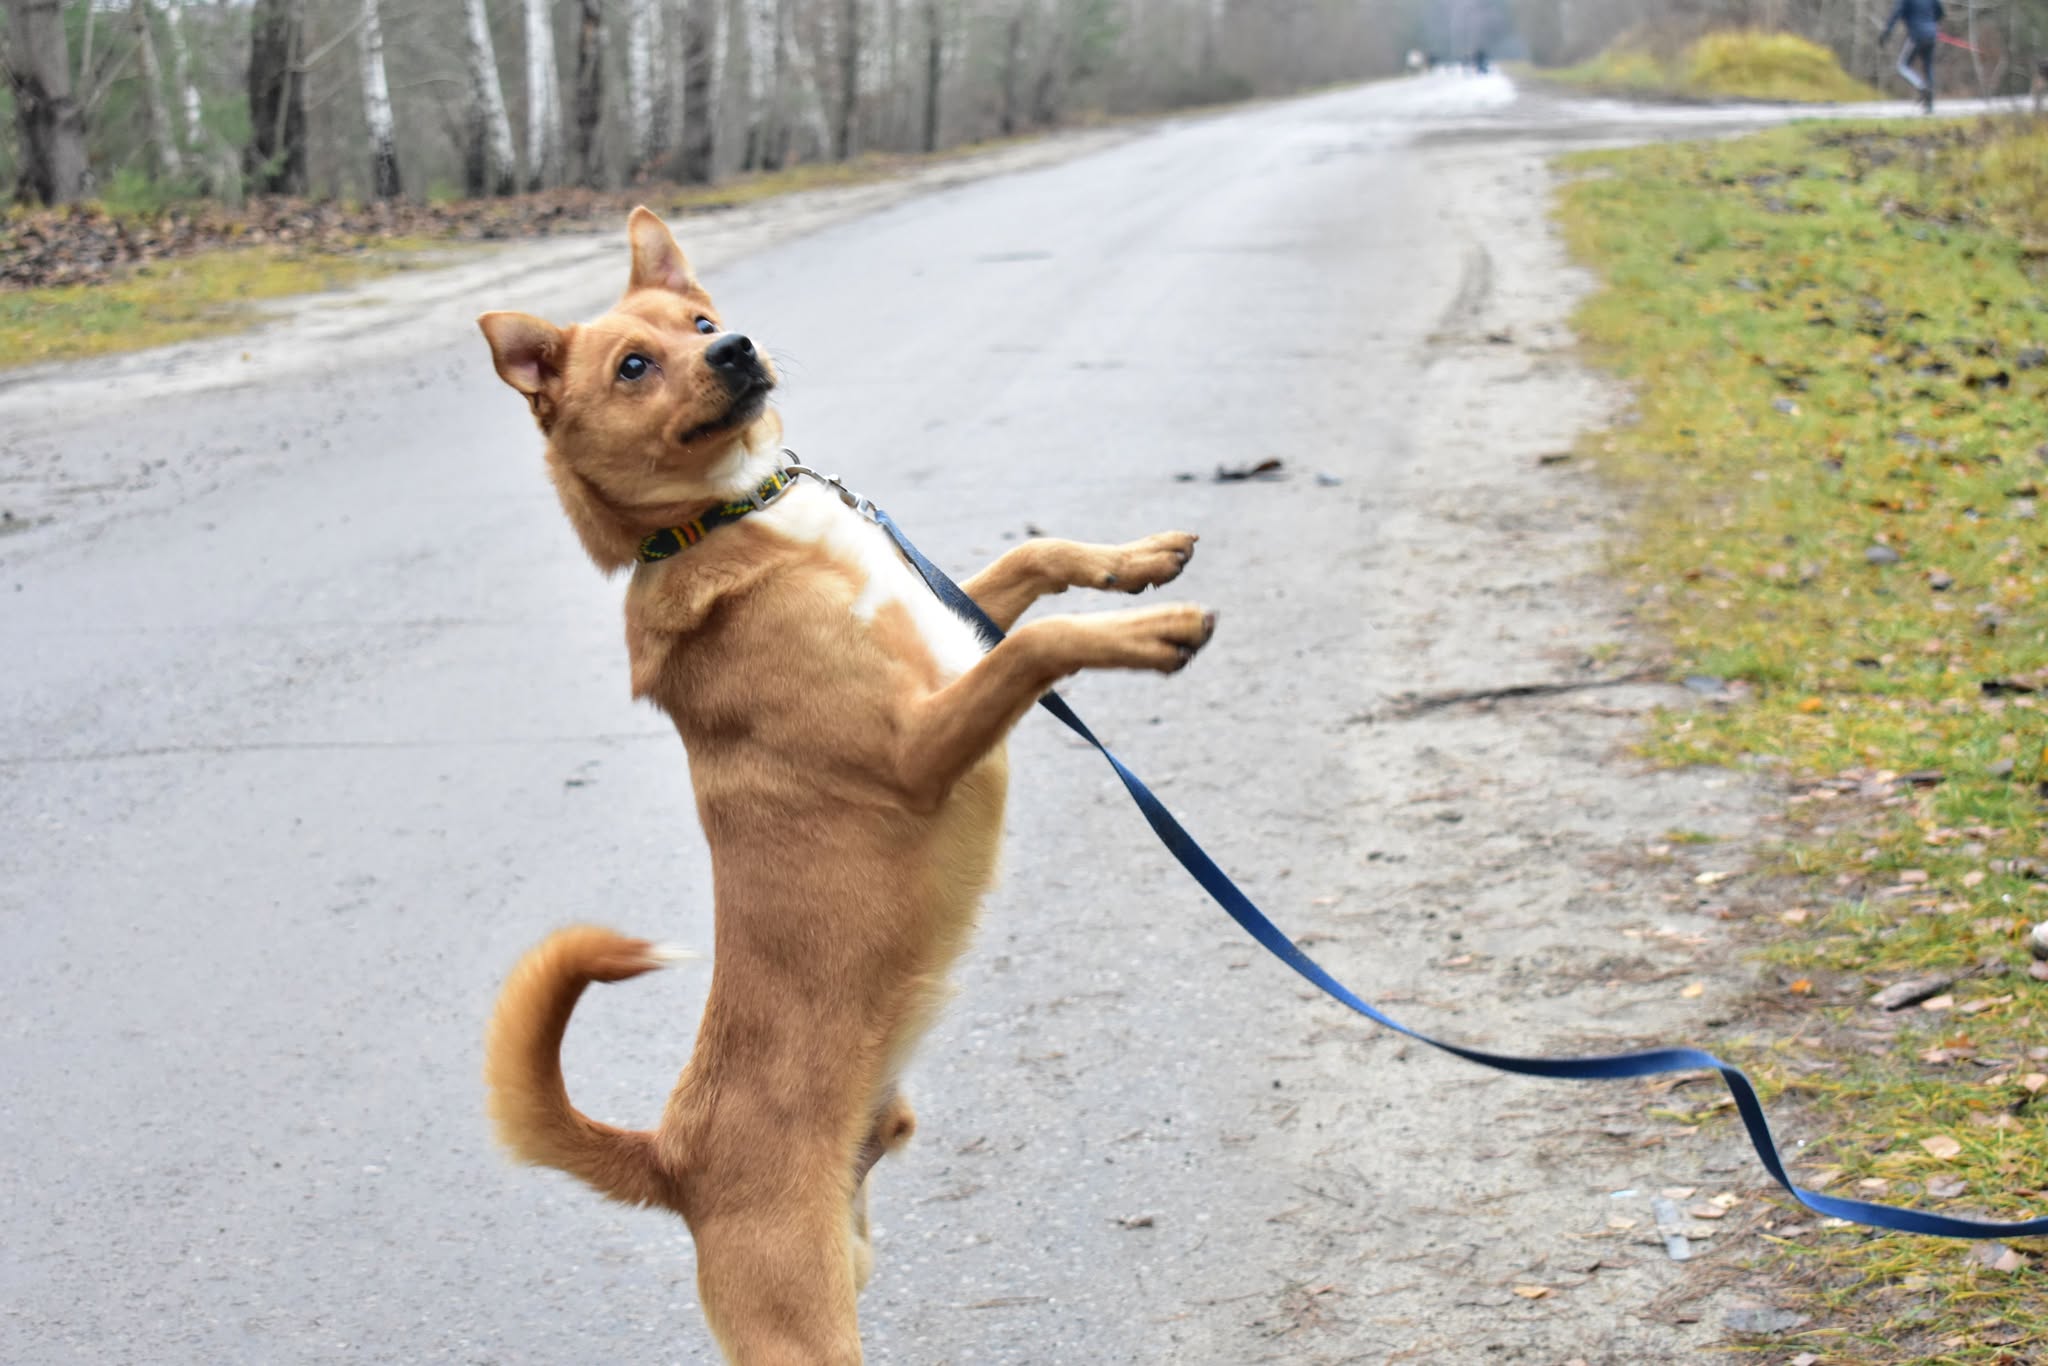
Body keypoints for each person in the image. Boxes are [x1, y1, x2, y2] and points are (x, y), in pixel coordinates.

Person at [1882, 0, 1946, 112]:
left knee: (1902, 66)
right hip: (1931, 35)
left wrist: (1886, 33)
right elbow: (1941, 12)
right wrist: (1930, 23)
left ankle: (1922, 87)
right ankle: (1929, 103)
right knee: (1928, 67)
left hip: (1916, 36)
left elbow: (1896, 14)